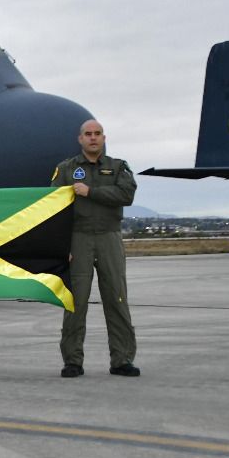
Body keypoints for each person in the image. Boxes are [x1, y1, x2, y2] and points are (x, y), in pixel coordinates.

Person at [52, 119, 140, 378]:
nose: (93, 138)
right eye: (88, 134)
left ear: (104, 138)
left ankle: (122, 359)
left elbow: (126, 195)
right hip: (78, 239)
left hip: (109, 237)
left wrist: (90, 192)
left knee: (117, 298)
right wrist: (62, 245)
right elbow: (54, 206)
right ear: (80, 139)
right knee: (75, 301)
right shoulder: (66, 169)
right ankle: (72, 361)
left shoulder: (118, 167)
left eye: (97, 134)